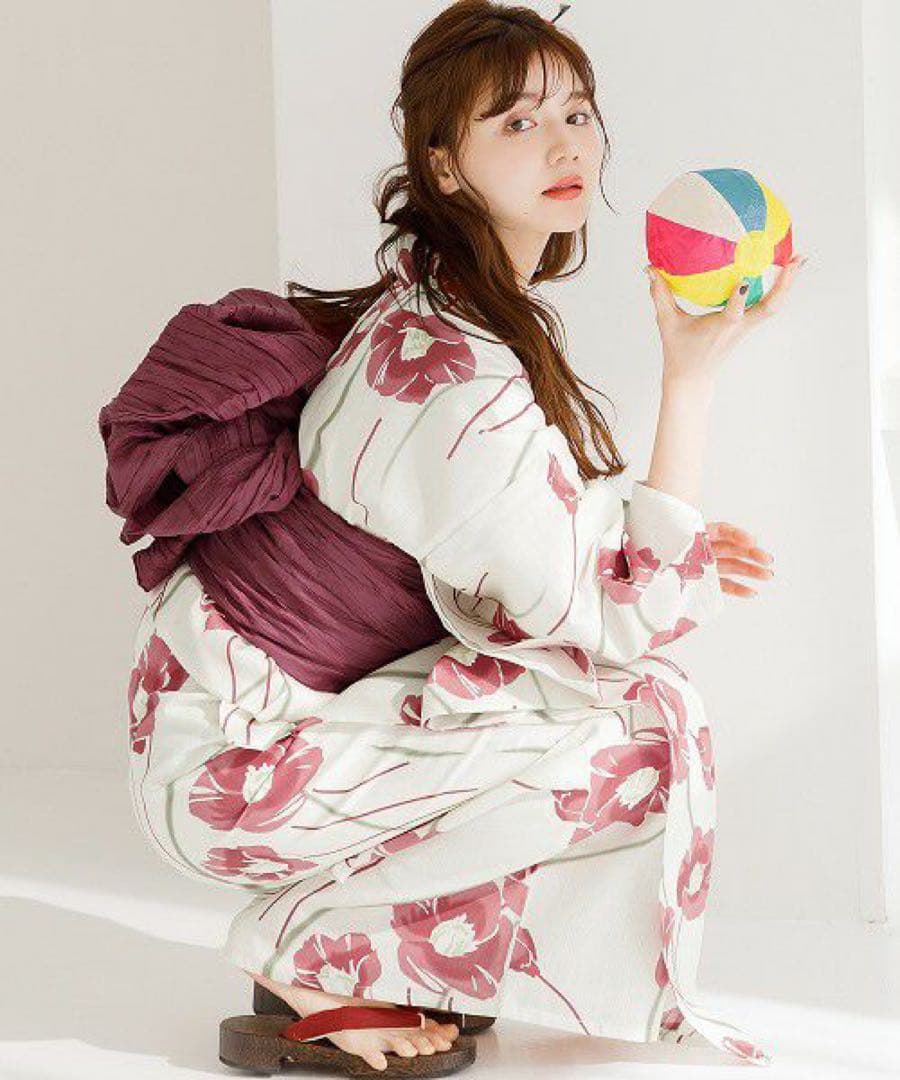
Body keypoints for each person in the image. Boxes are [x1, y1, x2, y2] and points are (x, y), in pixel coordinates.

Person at [106, 1, 805, 1073]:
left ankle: (370, 947)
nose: (566, 145)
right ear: (443, 164)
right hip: (234, 770)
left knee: (594, 697)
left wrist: (656, 538)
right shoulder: (451, 372)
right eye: (518, 123)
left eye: (578, 113)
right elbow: (621, 616)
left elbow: (535, 538)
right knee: (640, 722)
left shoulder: (447, 315)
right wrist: (691, 379)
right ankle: (303, 949)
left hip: (252, 725)